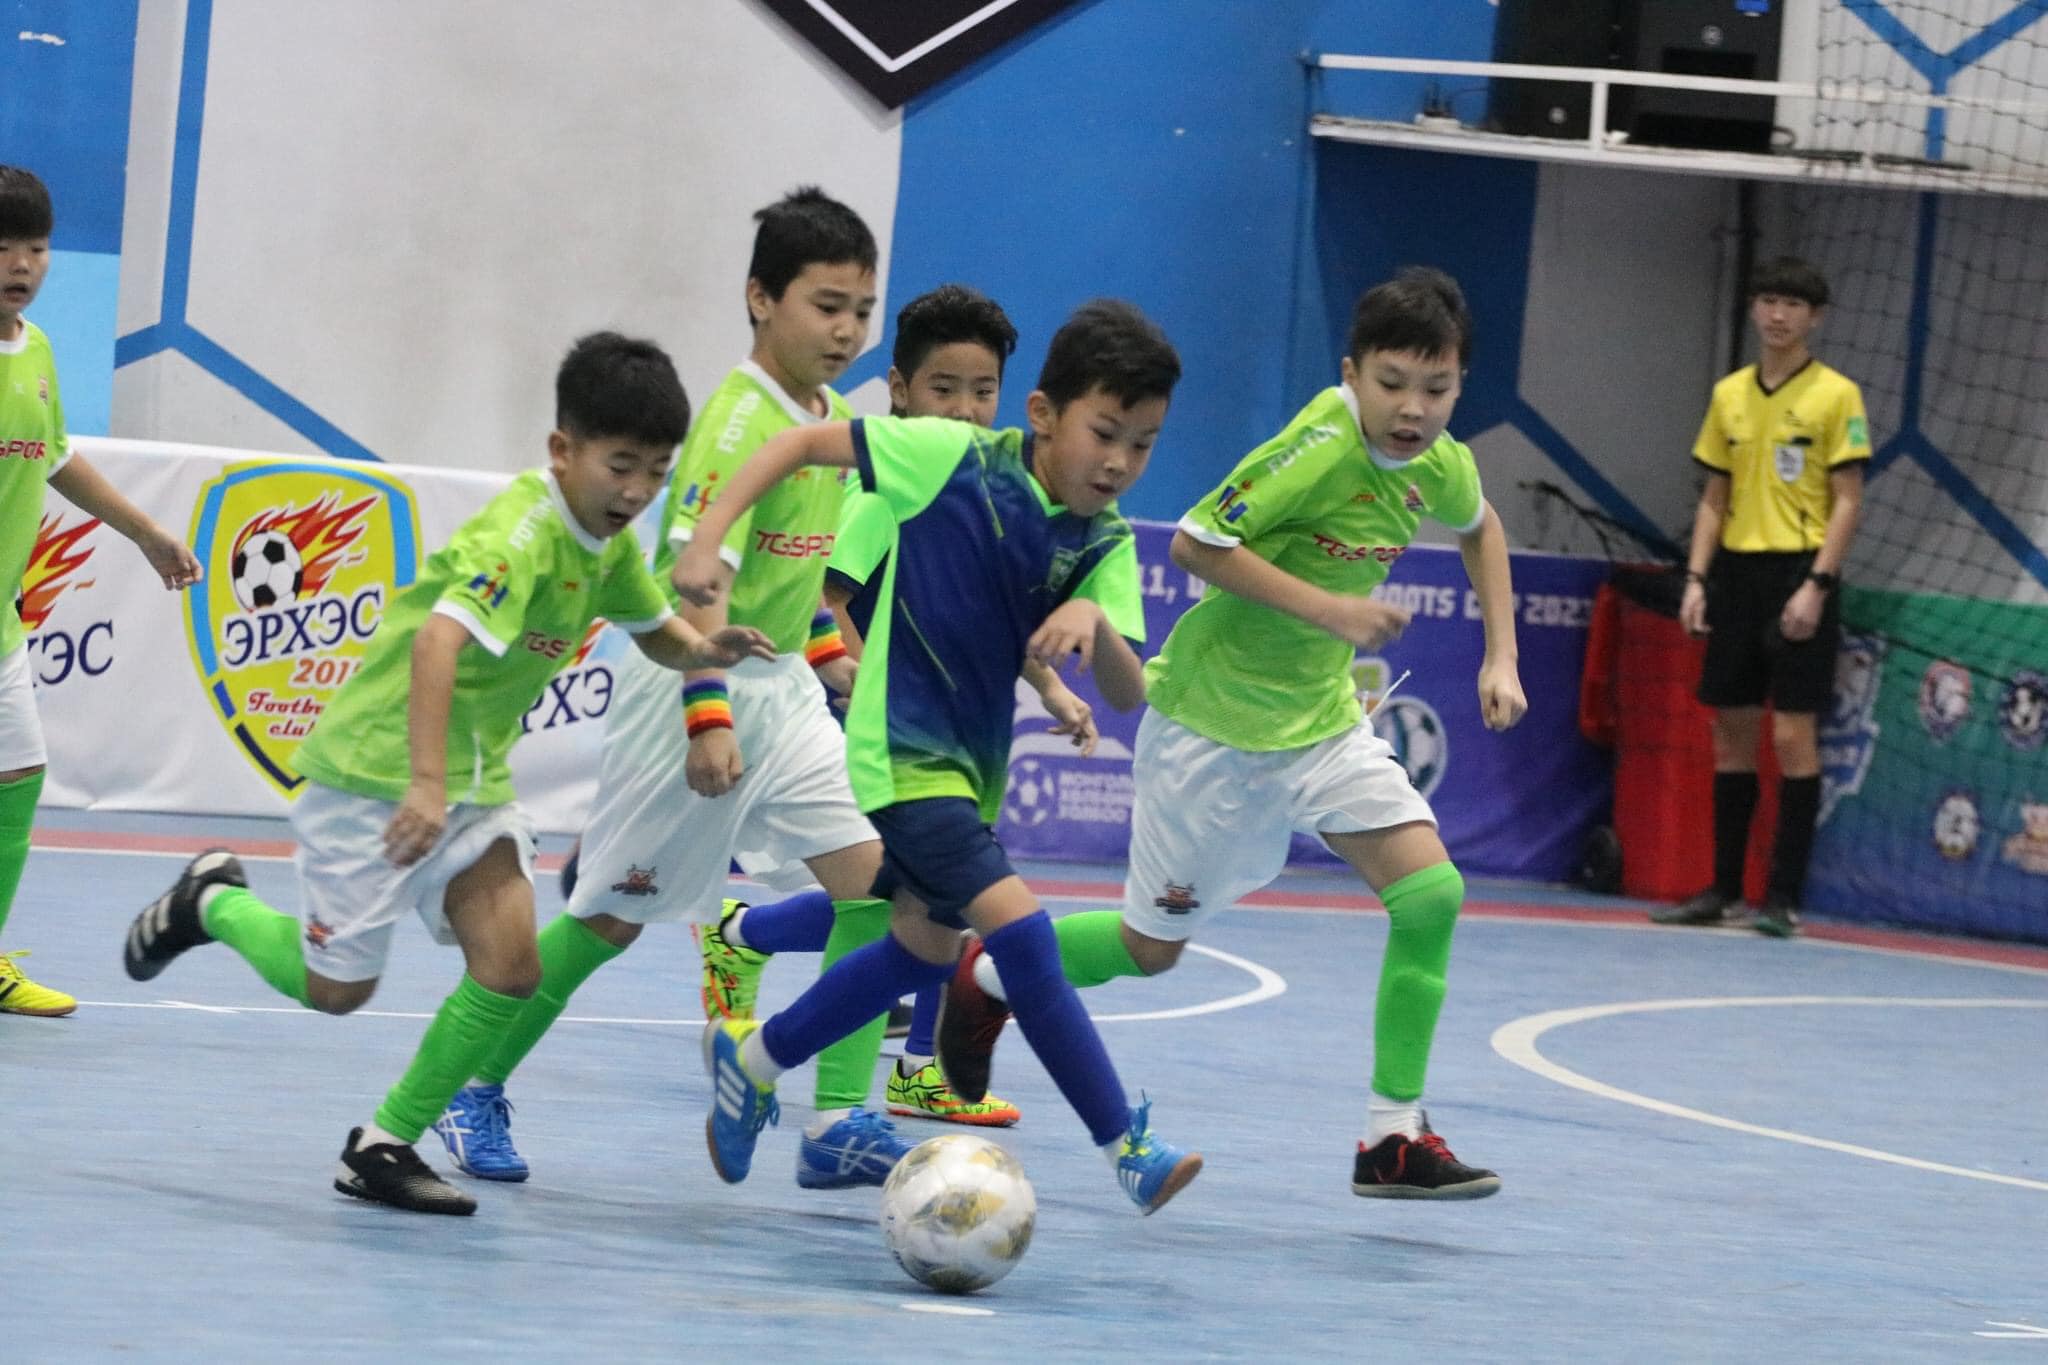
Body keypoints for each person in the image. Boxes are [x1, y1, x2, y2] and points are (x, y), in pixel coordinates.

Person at [121, 332, 774, 1215]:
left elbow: (650, 623)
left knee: (511, 966)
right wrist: (425, 782)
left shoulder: (610, 544)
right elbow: (438, 642)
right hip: (375, 770)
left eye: (657, 471)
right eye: (620, 466)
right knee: (336, 990)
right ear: (563, 449)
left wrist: (701, 649)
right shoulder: (521, 536)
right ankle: (212, 903)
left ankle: (383, 1144)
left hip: (473, 777)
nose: (637, 491)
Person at [938, 267, 1524, 1200]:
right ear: (1351, 374)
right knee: (1149, 949)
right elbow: (1196, 542)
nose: (1413, 408)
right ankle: (990, 974)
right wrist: (1331, 608)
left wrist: (1502, 655)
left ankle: (1391, 1138)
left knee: (1432, 894)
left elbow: (1480, 526)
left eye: (1437, 387)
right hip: (1210, 728)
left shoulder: (1438, 461)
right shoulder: (1318, 448)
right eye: (1391, 383)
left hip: (1321, 723)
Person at [437, 187, 923, 1194]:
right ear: (760, 298)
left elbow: (797, 573)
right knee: (609, 919)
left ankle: (836, 1119)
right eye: (825, 305)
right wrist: (708, 718)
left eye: (860, 310)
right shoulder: (738, 425)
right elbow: (698, 588)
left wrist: (826, 653)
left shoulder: (832, 420)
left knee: (883, 886)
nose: (846, 330)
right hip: (694, 694)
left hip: (782, 695)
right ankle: (470, 1084)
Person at [672, 299, 1204, 1215]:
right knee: (1023, 937)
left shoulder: (1103, 539)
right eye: (1105, 433)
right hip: (899, 754)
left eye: (1144, 444)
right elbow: (799, 446)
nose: (1120, 461)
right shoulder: (950, 458)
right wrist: (710, 539)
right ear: (1044, 413)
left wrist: (1094, 621)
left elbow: (1127, 691)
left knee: (920, 951)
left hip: (971, 773)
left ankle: (752, 1060)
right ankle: (1126, 1144)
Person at [697, 282, 1089, 1129]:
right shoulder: (886, 492)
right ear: (902, 392)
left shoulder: (985, 492)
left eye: (982, 391)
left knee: (905, 900)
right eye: (945, 389)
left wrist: (1052, 685)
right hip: (880, 726)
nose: (965, 409)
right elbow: (825, 593)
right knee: (919, 898)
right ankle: (895, 1068)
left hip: (955, 734)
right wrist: (873, 680)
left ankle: (749, 937)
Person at [0, 164, 202, 1017]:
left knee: (19, 774)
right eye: (3, 248)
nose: (22, 264)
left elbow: (55, 458)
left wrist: (145, 531)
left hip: (1, 624)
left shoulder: (37, 350)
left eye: (37, 247)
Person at [1653, 256, 1868, 939]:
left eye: (1793, 305)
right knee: (1731, 734)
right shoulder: (1730, 395)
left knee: (1792, 735)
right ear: (1754, 308)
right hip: (1738, 576)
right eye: (1769, 301)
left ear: (1816, 318)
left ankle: (1783, 898)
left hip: (1800, 574)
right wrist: (1696, 580)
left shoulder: (1838, 395)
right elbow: (1713, 499)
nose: (1779, 315)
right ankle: (1723, 889)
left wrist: (1817, 585)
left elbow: (1848, 500)